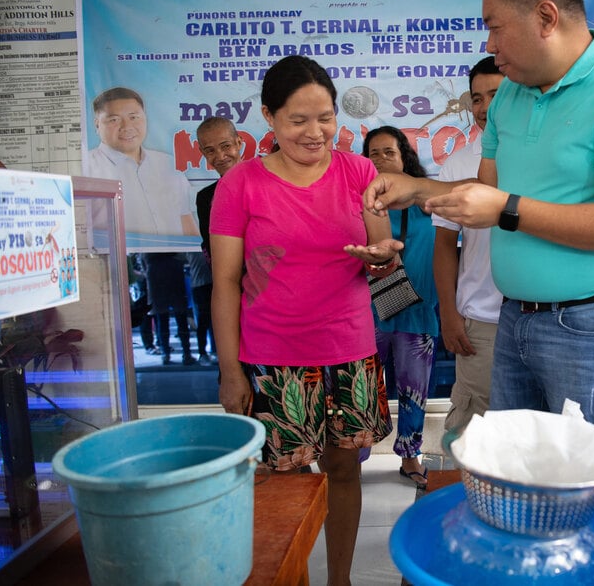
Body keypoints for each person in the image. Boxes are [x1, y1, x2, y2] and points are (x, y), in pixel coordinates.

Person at [364, 0, 594, 439]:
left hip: (593, 321)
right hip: (514, 315)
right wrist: (418, 188)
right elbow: (485, 192)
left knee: (575, 476)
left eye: (495, 27)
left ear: (546, 17)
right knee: (513, 468)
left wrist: (507, 210)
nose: (489, 44)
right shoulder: (511, 93)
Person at [210, 54, 395, 585]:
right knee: (285, 481)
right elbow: (225, 282)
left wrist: (383, 257)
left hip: (349, 350)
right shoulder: (241, 184)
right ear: (269, 118)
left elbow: (383, 255)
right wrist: (230, 371)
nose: (316, 133)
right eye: (299, 120)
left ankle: (340, 579)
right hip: (271, 358)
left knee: (343, 470)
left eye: (326, 118)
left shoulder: (359, 171)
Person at [362, 126, 438, 488]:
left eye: (388, 152)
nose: (380, 159)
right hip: (366, 315)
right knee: (360, 389)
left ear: (404, 156)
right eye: (373, 153)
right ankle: (352, 457)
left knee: (414, 390)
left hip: (417, 309)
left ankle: (410, 456)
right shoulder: (358, 202)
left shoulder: (427, 202)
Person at [432, 57, 504, 433]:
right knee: (474, 432)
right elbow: (445, 245)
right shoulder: (458, 165)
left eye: (495, 93)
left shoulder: (546, 157)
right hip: (482, 320)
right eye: (476, 98)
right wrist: (449, 311)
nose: (484, 107)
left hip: (544, 317)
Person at [84, 87, 198, 238]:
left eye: (133, 117)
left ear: (145, 118)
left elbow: (185, 219)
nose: (126, 127)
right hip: (118, 260)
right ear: (97, 125)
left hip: (176, 260)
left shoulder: (168, 164)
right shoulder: (86, 168)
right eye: (114, 120)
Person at [195, 117, 244, 256]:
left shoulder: (265, 183)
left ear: (238, 142)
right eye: (210, 151)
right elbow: (211, 250)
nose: (221, 156)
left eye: (226, 146)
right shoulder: (205, 198)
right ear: (203, 153)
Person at [141, 252, 196, 366]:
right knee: (180, 316)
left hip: (154, 272)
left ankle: (165, 353)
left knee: (162, 318)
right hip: (174, 269)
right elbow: (183, 255)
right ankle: (186, 353)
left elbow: (143, 258)